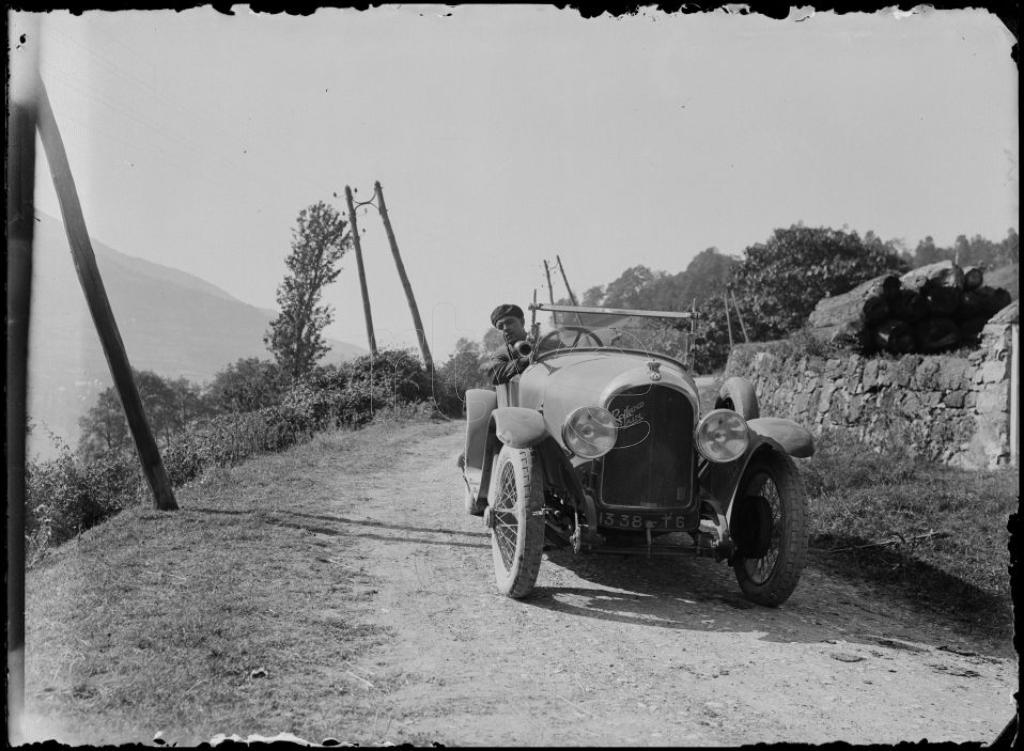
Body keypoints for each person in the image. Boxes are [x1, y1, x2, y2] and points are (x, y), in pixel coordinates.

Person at [487, 303, 531, 385]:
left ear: (522, 322)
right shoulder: (501, 353)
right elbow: (494, 374)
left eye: (510, 322)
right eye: (500, 326)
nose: (506, 328)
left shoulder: (542, 341)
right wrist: (525, 361)